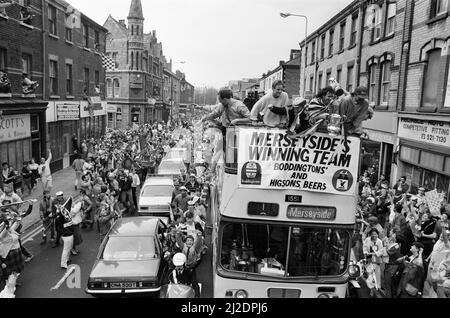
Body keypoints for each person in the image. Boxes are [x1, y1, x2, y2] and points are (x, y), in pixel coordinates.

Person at [54, 198, 74, 270]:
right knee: (66, 249)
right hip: (66, 234)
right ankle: (63, 264)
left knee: (69, 248)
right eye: (58, 204)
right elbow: (61, 221)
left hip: (69, 232)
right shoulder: (59, 216)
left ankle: (67, 259)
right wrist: (60, 212)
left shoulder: (62, 213)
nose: (60, 205)